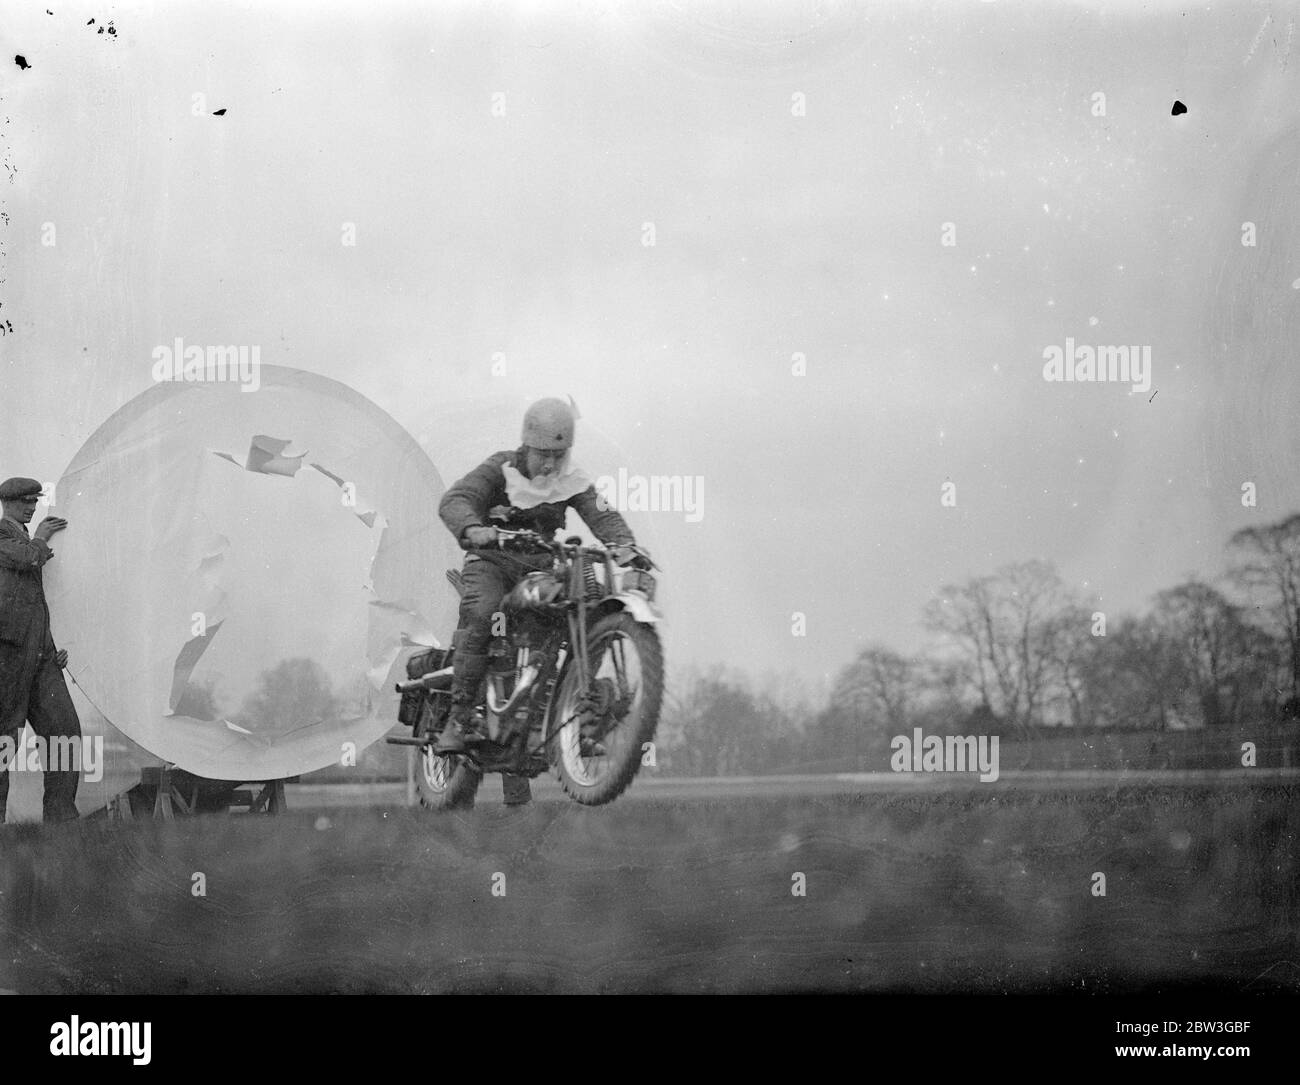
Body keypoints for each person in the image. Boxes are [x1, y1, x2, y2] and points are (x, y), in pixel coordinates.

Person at [436, 398, 642, 755]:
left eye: (558, 455)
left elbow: (602, 514)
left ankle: (575, 716)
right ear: (526, 446)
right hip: (492, 562)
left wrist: (625, 546)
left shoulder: (571, 480)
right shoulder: (499, 469)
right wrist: (473, 527)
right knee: (485, 614)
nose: (550, 463)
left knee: (579, 614)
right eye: (543, 453)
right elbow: (457, 499)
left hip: (539, 568)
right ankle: (461, 716)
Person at [0, 477, 81, 822]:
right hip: (9, 657)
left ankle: (61, 823)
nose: (32, 508)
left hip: (40, 655)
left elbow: (39, 603)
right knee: (3, 742)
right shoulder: (4, 535)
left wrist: (51, 646)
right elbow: (28, 559)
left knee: (65, 734)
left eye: (35, 501)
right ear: (8, 503)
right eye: (25, 503)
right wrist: (42, 537)